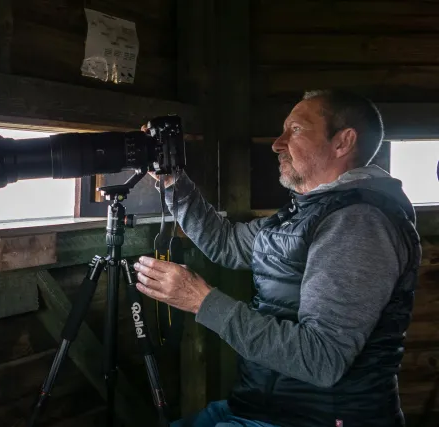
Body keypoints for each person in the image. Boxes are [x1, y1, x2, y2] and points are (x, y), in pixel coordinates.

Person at [134, 90, 422, 427]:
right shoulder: (308, 212)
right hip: (262, 407)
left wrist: (202, 301)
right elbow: (225, 242)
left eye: (296, 130)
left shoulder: (359, 223)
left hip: (317, 418)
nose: (277, 143)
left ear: (343, 142)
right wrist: (172, 181)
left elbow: (322, 359)